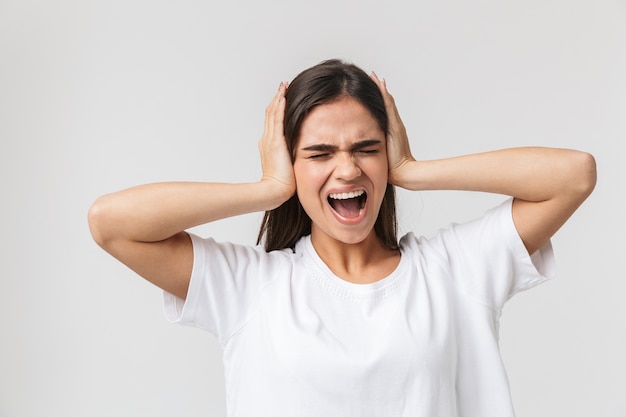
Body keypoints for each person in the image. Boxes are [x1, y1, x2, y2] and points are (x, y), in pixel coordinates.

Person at [88, 59, 596, 417]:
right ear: (290, 163)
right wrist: (267, 189)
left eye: (366, 148)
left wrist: (412, 170)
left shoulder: (453, 270)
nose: (348, 169)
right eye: (320, 153)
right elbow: (111, 223)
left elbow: (573, 175)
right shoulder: (250, 288)